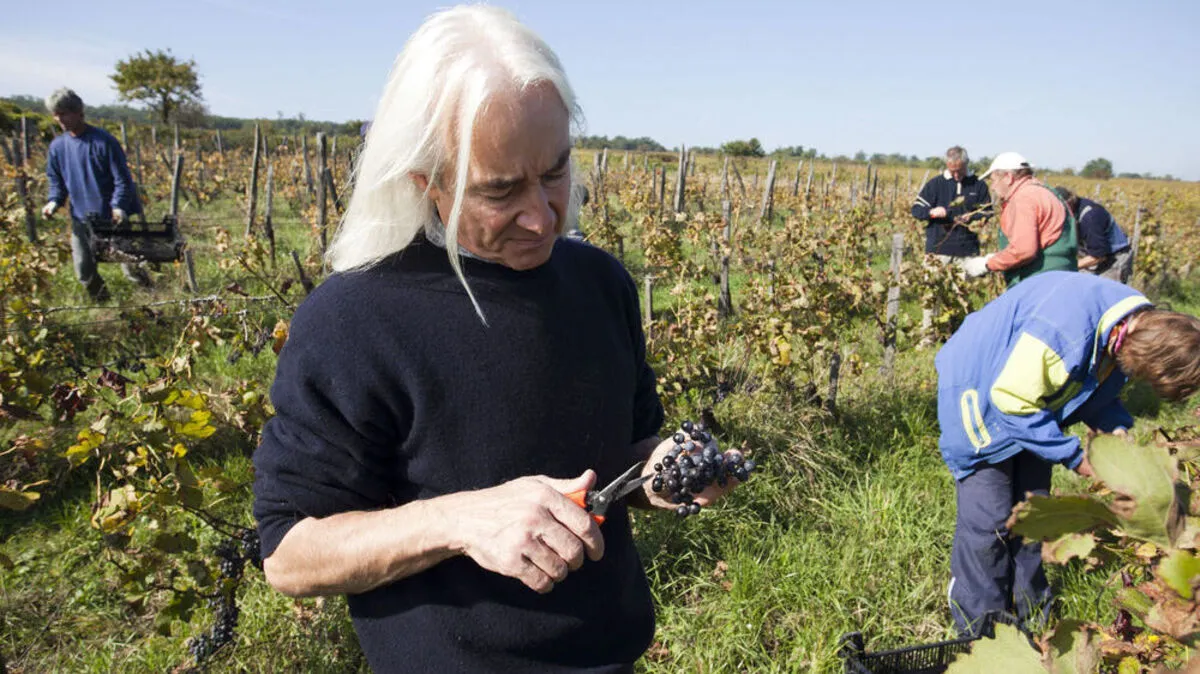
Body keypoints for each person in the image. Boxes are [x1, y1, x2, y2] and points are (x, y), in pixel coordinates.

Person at [251, 7, 739, 672]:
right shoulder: (354, 320)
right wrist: (460, 522)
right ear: (428, 183)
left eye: (556, 172)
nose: (541, 218)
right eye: (500, 191)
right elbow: (288, 555)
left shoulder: (599, 285)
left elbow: (621, 456)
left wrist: (663, 473)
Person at [935, 271, 1200, 636]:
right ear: (1145, 351)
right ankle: (980, 629)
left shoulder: (1132, 327)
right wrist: (1075, 456)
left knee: (1034, 514)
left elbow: (1097, 384)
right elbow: (1010, 399)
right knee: (990, 522)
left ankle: (1034, 622)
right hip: (979, 396)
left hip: (1035, 403)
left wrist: (1114, 429)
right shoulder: (1064, 329)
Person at [41, 87, 151, 302]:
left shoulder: (103, 141)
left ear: (78, 112)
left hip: (112, 216)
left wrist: (118, 206)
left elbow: (122, 179)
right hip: (81, 218)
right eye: (56, 114)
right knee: (83, 269)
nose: (59, 118)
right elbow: (56, 181)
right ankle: (103, 305)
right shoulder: (57, 147)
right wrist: (53, 201)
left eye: (64, 113)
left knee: (130, 267)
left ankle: (152, 298)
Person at [911, 146, 992, 343]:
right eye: (952, 170)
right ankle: (928, 337)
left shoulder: (978, 185)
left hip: (966, 250)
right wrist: (932, 212)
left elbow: (988, 212)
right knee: (932, 294)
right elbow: (916, 209)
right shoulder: (936, 184)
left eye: (960, 170)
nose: (956, 175)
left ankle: (957, 337)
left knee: (961, 295)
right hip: (937, 250)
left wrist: (973, 218)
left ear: (966, 165)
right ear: (947, 166)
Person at [960, 152, 1077, 286]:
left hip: (1039, 280)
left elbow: (1024, 251)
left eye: (993, 180)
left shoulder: (1023, 198)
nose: (992, 187)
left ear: (1008, 177)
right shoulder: (1046, 192)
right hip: (1064, 276)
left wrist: (987, 264)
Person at [1056, 187, 1133, 283]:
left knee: (1106, 294)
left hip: (1114, 258)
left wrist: (1068, 266)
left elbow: (1098, 255)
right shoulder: (1071, 212)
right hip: (1094, 256)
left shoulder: (1090, 216)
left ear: (1069, 204)